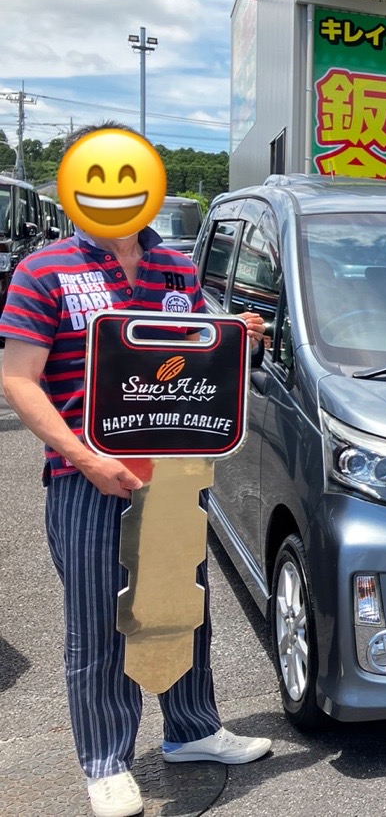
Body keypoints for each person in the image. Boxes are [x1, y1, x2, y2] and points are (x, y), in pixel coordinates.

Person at [0, 123, 272, 817]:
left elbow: (195, 354)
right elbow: (19, 380)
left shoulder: (174, 268)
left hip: (173, 478)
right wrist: (86, 458)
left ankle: (194, 731)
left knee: (181, 611)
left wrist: (237, 331)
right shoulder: (45, 271)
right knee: (99, 622)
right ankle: (106, 761)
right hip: (86, 480)